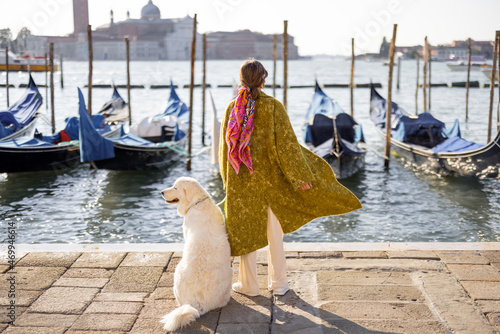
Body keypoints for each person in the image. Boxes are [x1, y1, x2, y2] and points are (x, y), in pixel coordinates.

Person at [219, 59, 361, 296]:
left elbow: (225, 150)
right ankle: (278, 284)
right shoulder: (273, 106)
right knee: (275, 235)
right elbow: (287, 146)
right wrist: (300, 176)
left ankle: (249, 285)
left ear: (241, 79)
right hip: (271, 182)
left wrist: (227, 181)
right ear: (263, 79)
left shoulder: (232, 107)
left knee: (245, 232)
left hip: (241, 181)